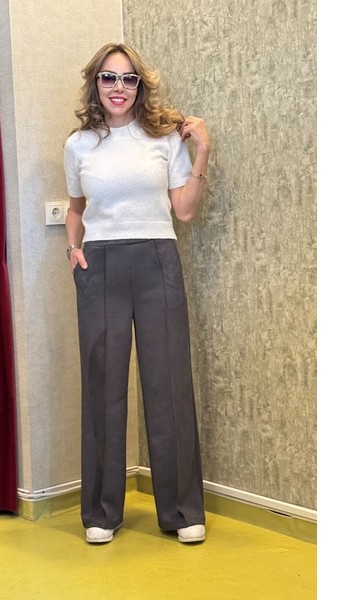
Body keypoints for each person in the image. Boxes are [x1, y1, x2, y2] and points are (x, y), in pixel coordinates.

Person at [64, 43, 211, 544]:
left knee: (168, 382)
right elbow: (76, 208)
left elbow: (184, 211)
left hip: (156, 261)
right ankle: (101, 514)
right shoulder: (78, 145)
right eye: (109, 77)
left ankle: (182, 511)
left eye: (128, 79)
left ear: (139, 86)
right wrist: (73, 249)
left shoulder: (164, 139)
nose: (119, 87)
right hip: (100, 264)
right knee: (102, 385)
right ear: (96, 83)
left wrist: (202, 151)